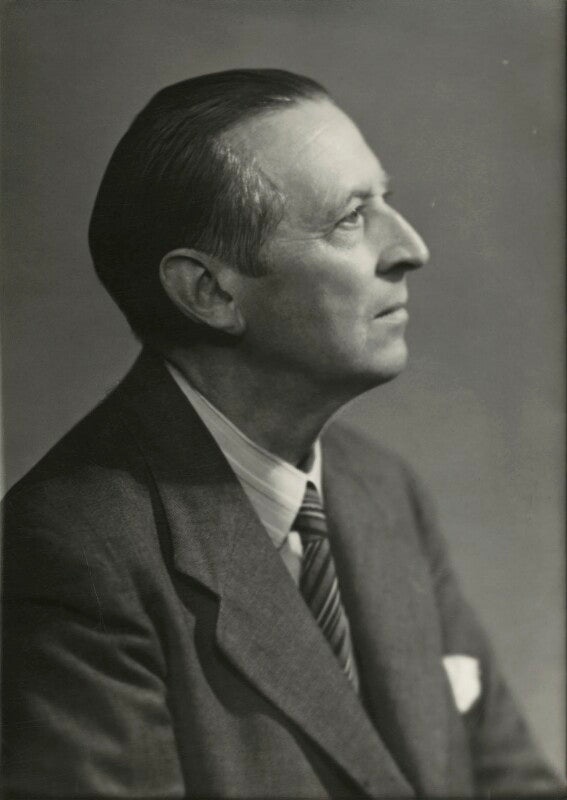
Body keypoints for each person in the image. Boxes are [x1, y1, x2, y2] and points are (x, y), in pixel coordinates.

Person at [2, 69, 563, 799]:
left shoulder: (380, 488)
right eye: (348, 219)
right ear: (209, 291)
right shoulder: (74, 551)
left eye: (385, 200)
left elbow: (514, 782)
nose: (411, 248)